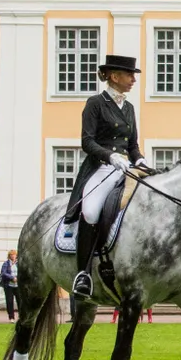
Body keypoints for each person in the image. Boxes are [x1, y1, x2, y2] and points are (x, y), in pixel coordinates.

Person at [64, 54, 146, 299]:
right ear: (114, 76)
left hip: (127, 168)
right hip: (101, 167)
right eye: (129, 75)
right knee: (90, 211)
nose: (133, 80)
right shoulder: (95, 103)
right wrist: (110, 156)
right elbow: (87, 141)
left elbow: (132, 144)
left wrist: (139, 158)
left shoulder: (129, 107)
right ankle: (83, 274)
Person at [0, 250, 19, 321]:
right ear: (9, 256)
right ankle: (11, 317)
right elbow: (3, 273)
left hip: (17, 285)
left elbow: (22, 271)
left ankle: (21, 316)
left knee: (20, 301)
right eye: (11, 255)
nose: (13, 256)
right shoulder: (6, 264)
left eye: (14, 255)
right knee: (9, 301)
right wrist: (12, 277)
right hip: (9, 285)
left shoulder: (18, 263)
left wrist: (17, 278)